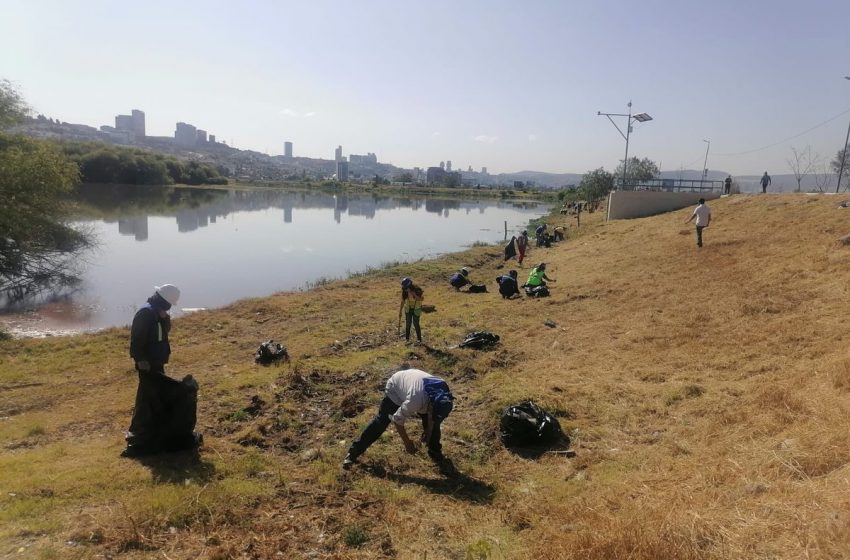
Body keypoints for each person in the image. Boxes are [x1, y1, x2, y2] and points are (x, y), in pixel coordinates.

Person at [124, 284, 201, 457]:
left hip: (156, 364)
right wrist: (141, 360)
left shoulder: (158, 313)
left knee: (154, 397)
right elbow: (136, 341)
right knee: (147, 398)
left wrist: (164, 317)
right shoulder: (145, 313)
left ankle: (151, 429)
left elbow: (163, 333)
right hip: (148, 365)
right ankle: (142, 434)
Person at [342, 368, 454, 469]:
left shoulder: (444, 396)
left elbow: (433, 420)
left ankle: (434, 452)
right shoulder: (415, 400)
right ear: (430, 406)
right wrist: (407, 443)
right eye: (432, 413)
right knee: (382, 421)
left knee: (434, 425)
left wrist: (429, 433)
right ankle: (353, 453)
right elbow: (397, 420)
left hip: (416, 386)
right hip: (396, 387)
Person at [398, 277, 424, 344]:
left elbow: (421, 299)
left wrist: (413, 294)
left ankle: (419, 340)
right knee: (408, 324)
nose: (405, 289)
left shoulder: (417, 289)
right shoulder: (404, 291)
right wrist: (400, 311)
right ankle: (407, 339)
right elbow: (403, 301)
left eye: (406, 287)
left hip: (416, 309)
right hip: (408, 309)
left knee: (416, 324)